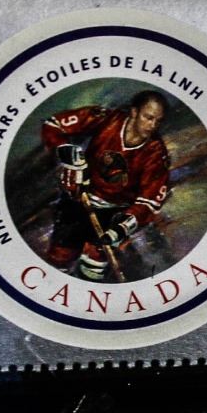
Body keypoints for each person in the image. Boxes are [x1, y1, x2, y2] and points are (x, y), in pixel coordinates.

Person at [40, 89, 173, 281]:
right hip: (79, 199)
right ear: (134, 112)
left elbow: (149, 202)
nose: (152, 125)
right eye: (148, 117)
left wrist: (121, 228)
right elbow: (54, 124)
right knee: (59, 258)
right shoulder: (107, 119)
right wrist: (64, 150)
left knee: (93, 270)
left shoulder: (156, 154)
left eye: (158, 121)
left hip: (113, 213)